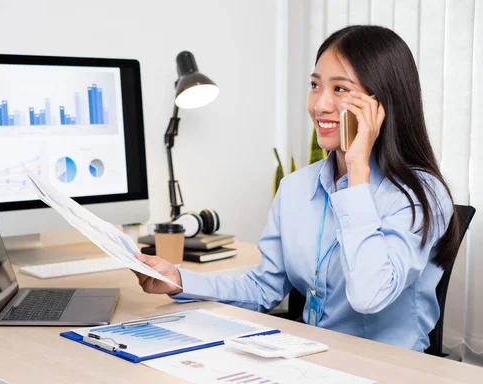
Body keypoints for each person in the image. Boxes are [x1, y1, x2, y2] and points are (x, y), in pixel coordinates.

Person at [132, 25, 460, 352]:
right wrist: (177, 279)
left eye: (341, 89)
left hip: (391, 368)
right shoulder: (295, 188)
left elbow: (368, 295)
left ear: (380, 104)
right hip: (312, 357)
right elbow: (263, 288)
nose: (320, 105)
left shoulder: (421, 195)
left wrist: (357, 170)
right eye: (315, 85)